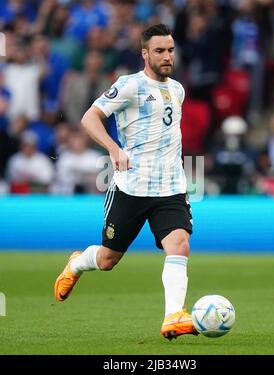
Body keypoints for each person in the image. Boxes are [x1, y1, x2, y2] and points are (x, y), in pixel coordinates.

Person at [54, 24, 197, 340]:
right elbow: (90, 118)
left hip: (170, 187)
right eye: (159, 50)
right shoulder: (129, 86)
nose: (167, 56)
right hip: (130, 187)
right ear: (145, 53)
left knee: (179, 244)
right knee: (107, 260)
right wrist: (113, 147)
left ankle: (173, 316)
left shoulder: (178, 90)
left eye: (170, 50)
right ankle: (77, 263)